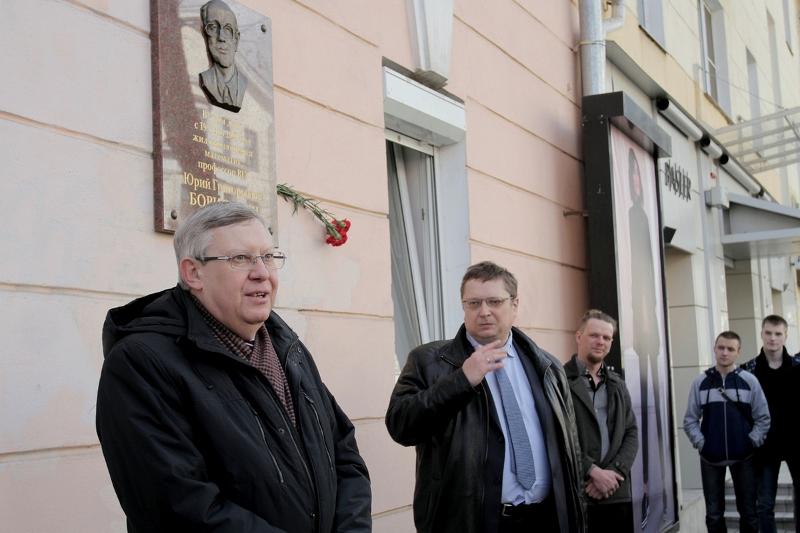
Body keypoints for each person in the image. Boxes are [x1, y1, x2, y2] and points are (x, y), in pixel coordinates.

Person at [96, 203, 371, 532]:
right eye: (240, 258)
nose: (262, 273)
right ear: (193, 273)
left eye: (268, 256)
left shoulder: (287, 347)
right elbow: (179, 508)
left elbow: (343, 451)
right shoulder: (141, 363)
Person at [385, 261, 585, 533]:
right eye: (474, 303)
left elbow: (570, 448)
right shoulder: (429, 361)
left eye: (494, 301)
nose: (484, 311)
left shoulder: (547, 367)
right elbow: (401, 425)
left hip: (546, 519)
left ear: (514, 305)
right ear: (464, 307)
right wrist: (461, 381)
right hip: (473, 522)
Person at [684, 331, 770, 533]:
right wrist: (702, 443)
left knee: (749, 513)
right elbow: (690, 420)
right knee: (714, 515)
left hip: (744, 458)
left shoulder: (750, 381)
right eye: (721, 348)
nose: (725, 352)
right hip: (710, 458)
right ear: (714, 349)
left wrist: (751, 441)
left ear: (738, 352)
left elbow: (763, 418)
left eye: (730, 349)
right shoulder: (700, 382)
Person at [565, 310, 638, 533]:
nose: (600, 342)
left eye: (606, 337)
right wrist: (592, 471)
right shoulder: (559, 380)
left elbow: (631, 432)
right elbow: (557, 435)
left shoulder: (617, 384)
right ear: (579, 336)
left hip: (615, 493)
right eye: (594, 335)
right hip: (578, 493)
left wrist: (614, 473)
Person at [627, 147, 667, 526]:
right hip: (640, 323)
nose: (638, 181)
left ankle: (658, 489)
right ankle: (645, 487)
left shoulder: (643, 216)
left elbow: (650, 277)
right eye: (633, 175)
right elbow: (636, 279)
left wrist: (650, 318)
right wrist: (641, 319)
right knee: (642, 409)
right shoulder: (631, 216)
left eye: (640, 175)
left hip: (649, 322)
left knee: (655, 404)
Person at [741, 314, 800, 533]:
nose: (772, 338)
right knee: (764, 505)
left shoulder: (798, 367)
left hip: (796, 443)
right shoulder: (748, 371)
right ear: (761, 334)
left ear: (786, 336)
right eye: (768, 333)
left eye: (777, 334)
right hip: (764, 446)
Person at [199, 0, 248, 112]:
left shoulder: (243, 84)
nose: (221, 37)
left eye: (228, 29)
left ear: (236, 40)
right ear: (205, 34)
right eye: (213, 28)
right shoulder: (205, 80)